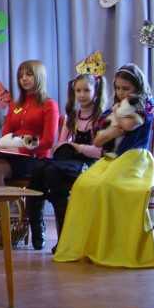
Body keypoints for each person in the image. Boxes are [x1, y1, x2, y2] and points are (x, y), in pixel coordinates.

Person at [54, 63, 154, 268]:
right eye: (118, 88)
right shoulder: (115, 108)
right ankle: (90, 245)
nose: (121, 93)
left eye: (126, 88)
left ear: (137, 88)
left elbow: (129, 125)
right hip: (113, 159)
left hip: (136, 159)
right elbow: (98, 140)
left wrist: (116, 124)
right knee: (83, 185)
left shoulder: (144, 104)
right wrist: (114, 126)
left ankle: (113, 246)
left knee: (106, 186)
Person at [0, 59, 59, 247]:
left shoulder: (49, 104)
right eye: (21, 75)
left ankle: (4, 228)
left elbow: (48, 141)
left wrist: (21, 148)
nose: (23, 78)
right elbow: (6, 132)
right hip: (11, 155)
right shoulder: (16, 105)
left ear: (39, 77)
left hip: (35, 158)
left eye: (29, 74)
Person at [25, 72, 106, 252]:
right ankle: (38, 229)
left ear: (96, 91)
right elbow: (60, 146)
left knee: (52, 173)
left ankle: (64, 238)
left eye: (86, 90)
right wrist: (64, 147)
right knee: (40, 169)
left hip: (90, 163)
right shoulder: (72, 116)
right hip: (67, 161)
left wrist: (78, 147)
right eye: (78, 90)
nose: (82, 95)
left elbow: (100, 151)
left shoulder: (100, 117)